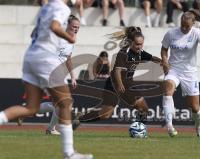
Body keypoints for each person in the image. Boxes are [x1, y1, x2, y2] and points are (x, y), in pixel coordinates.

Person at [0, 0, 93, 159]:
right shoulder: (61, 7)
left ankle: (66, 149)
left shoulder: (48, 7)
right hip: (46, 59)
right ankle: (69, 153)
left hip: (31, 57)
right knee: (65, 103)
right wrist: (68, 38)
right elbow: (55, 27)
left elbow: (34, 33)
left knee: (31, 108)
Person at [72, 26, 162, 130]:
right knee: (142, 109)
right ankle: (138, 129)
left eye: (141, 44)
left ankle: (80, 118)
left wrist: (163, 62)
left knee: (107, 114)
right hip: (115, 84)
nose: (139, 46)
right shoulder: (123, 53)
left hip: (126, 84)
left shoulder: (140, 53)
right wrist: (119, 85)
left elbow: (152, 58)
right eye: (137, 44)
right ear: (130, 42)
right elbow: (117, 71)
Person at [17, 15, 80, 136]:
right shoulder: (59, 37)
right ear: (67, 25)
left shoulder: (73, 40)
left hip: (60, 74)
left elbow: (68, 59)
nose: (76, 29)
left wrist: (73, 76)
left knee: (59, 104)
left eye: (77, 27)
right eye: (73, 27)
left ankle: (27, 112)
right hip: (51, 72)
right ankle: (51, 128)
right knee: (64, 103)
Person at [161, 10, 200, 138]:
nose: (184, 27)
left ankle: (199, 127)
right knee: (167, 91)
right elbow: (164, 49)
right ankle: (170, 126)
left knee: (194, 107)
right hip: (174, 69)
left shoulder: (196, 32)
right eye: (182, 24)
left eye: (187, 26)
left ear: (193, 23)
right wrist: (165, 62)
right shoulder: (171, 33)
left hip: (190, 73)